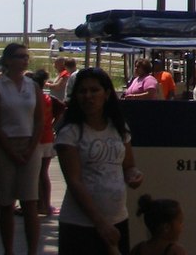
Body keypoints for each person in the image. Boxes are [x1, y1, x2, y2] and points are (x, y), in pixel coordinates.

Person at [55, 67, 144, 255]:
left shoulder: (119, 128)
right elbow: (74, 181)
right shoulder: (70, 132)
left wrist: (134, 175)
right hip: (80, 224)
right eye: (82, 91)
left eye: (94, 90)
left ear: (107, 94)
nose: (88, 96)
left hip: (118, 218)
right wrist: (100, 223)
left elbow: (128, 166)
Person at [0, 44, 43, 255]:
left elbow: (39, 119)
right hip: (5, 144)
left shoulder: (32, 86)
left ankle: (32, 251)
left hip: (30, 144)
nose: (25, 60)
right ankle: (9, 251)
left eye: (26, 56)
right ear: (8, 60)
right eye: (20, 56)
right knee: (6, 203)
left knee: (30, 202)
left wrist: (31, 147)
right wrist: (11, 151)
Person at [29, 70, 61, 217]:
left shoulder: (33, 99)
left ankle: (36, 204)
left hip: (36, 139)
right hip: (48, 137)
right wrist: (54, 125)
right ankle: (45, 204)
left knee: (34, 174)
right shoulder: (48, 98)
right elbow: (62, 108)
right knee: (43, 174)